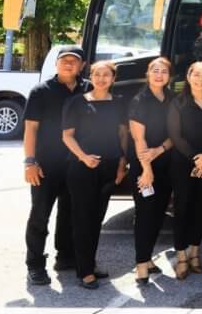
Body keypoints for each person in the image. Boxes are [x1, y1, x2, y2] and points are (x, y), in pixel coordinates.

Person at [24, 45, 88, 286]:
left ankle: (66, 257)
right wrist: (30, 161)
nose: (69, 64)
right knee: (40, 216)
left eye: (74, 60)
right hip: (46, 165)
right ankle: (35, 265)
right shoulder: (41, 91)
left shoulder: (89, 88)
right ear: (56, 64)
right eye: (64, 60)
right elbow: (31, 129)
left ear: (82, 65)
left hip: (77, 165)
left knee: (70, 214)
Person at [61, 60, 127, 289]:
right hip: (82, 168)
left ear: (113, 78)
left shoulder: (119, 103)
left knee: (97, 218)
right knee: (82, 218)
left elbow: (122, 135)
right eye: (97, 74)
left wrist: (121, 164)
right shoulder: (76, 102)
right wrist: (83, 157)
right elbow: (67, 136)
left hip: (109, 167)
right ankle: (85, 271)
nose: (101, 78)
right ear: (91, 77)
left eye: (106, 75)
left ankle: (90, 262)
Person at [167, 60, 202, 281]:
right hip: (183, 163)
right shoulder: (178, 103)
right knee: (182, 209)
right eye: (196, 74)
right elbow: (175, 135)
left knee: (201, 208)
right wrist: (194, 158)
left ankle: (195, 253)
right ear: (188, 77)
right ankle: (181, 256)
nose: (201, 79)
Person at [128, 57, 174, 285]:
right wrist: (146, 169)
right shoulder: (140, 100)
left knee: (158, 214)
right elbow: (138, 138)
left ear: (169, 76)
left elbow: (176, 133)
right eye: (155, 71)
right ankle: (141, 265)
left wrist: (160, 150)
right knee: (145, 214)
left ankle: (148, 258)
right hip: (144, 165)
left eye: (164, 71)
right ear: (148, 74)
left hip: (165, 163)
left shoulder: (172, 99)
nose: (159, 75)